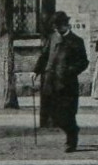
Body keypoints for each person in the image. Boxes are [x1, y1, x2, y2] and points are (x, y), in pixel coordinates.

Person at [33, 11, 89, 152]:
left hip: (67, 84)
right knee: (53, 113)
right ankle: (72, 130)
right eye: (55, 27)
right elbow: (44, 56)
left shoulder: (76, 41)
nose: (57, 29)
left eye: (59, 26)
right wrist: (36, 70)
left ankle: (71, 140)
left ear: (66, 25)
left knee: (67, 113)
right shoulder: (52, 38)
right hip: (50, 82)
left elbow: (83, 62)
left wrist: (70, 71)